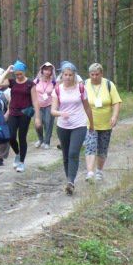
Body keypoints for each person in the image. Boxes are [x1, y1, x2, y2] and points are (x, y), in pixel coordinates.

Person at [51, 61, 93, 195]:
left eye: (70, 75)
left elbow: (87, 107)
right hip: (62, 126)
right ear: (62, 76)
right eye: (65, 75)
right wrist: (61, 113)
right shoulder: (57, 90)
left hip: (79, 125)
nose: (68, 77)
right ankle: (69, 180)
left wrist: (91, 124)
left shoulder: (81, 88)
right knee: (65, 154)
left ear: (74, 75)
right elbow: (53, 110)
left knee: (73, 153)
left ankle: (71, 181)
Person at [0, 60, 40, 172]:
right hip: (13, 112)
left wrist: (37, 117)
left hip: (25, 113)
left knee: (22, 137)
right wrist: (7, 71)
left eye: (20, 74)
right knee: (10, 136)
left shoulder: (30, 84)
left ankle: (21, 162)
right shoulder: (12, 82)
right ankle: (18, 153)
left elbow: (35, 101)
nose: (19, 76)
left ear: (24, 72)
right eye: (16, 74)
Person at [84, 63, 121, 182]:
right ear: (89, 74)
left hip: (106, 123)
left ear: (101, 74)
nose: (94, 77)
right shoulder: (84, 85)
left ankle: (99, 171)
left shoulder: (109, 84)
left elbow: (116, 102)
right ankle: (90, 172)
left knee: (102, 148)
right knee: (90, 146)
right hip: (89, 123)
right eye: (92, 74)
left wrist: (114, 116)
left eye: (97, 74)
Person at [33, 62, 56, 149]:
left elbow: (56, 94)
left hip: (49, 105)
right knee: (38, 124)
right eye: (46, 70)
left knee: (48, 123)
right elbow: (32, 92)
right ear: (42, 70)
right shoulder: (36, 81)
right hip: (38, 105)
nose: (47, 72)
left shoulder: (54, 82)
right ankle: (40, 139)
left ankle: (47, 142)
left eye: (49, 70)